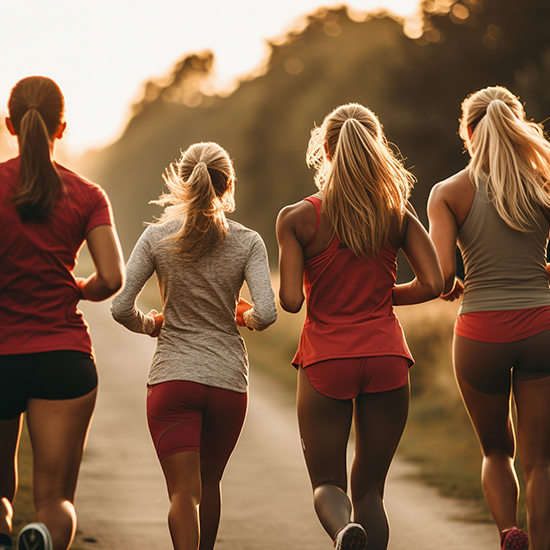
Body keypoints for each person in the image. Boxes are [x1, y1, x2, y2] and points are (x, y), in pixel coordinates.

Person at [276, 103, 444, 550]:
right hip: (387, 357)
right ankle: (362, 530)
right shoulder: (397, 213)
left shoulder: (297, 218)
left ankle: (343, 531)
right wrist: (383, 295)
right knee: (370, 488)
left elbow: (291, 301)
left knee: (327, 483)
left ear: (325, 150)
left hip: (327, 359)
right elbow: (434, 282)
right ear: (375, 147)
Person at [111, 141, 277, 550]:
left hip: (172, 379)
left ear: (182, 182)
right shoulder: (249, 242)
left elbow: (119, 308)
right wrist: (244, 317)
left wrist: (151, 325)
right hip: (226, 382)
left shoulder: (155, 237)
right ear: (228, 185)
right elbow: (268, 314)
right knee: (211, 482)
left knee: (183, 492)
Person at [0, 76, 125, 550]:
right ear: (62, 127)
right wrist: (77, 287)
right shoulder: (88, 195)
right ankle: (41, 537)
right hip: (63, 358)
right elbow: (113, 279)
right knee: (55, 500)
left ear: (10, 124)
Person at [427, 86, 550, 550]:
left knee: (496, 450)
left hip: (481, 333)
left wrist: (451, 285)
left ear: (469, 133)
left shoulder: (448, 193)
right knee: (542, 461)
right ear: (516, 127)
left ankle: (508, 532)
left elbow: (440, 278)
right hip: (543, 326)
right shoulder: (544, 183)